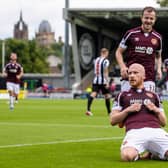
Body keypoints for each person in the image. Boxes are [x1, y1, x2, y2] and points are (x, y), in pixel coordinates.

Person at [110, 63, 168, 161]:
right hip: (134, 132)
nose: (131, 75)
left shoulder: (154, 95)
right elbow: (112, 120)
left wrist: (156, 110)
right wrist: (128, 110)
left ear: (143, 76)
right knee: (127, 156)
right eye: (130, 73)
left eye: (135, 73)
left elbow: (163, 123)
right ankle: (143, 155)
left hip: (156, 131)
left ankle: (154, 154)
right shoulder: (122, 95)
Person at [115, 6, 162, 92]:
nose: (148, 21)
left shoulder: (158, 37)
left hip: (148, 78)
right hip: (130, 77)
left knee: (148, 104)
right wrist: (122, 67)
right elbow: (118, 52)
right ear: (141, 18)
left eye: (151, 18)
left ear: (155, 20)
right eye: (146, 18)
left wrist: (159, 69)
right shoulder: (131, 33)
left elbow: (158, 56)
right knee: (126, 104)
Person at [85, 48, 111, 116]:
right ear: (105, 53)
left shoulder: (96, 60)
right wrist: (107, 81)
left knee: (93, 94)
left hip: (96, 79)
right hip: (103, 81)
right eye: (107, 53)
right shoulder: (106, 61)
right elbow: (105, 71)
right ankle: (109, 112)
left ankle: (88, 110)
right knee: (107, 96)